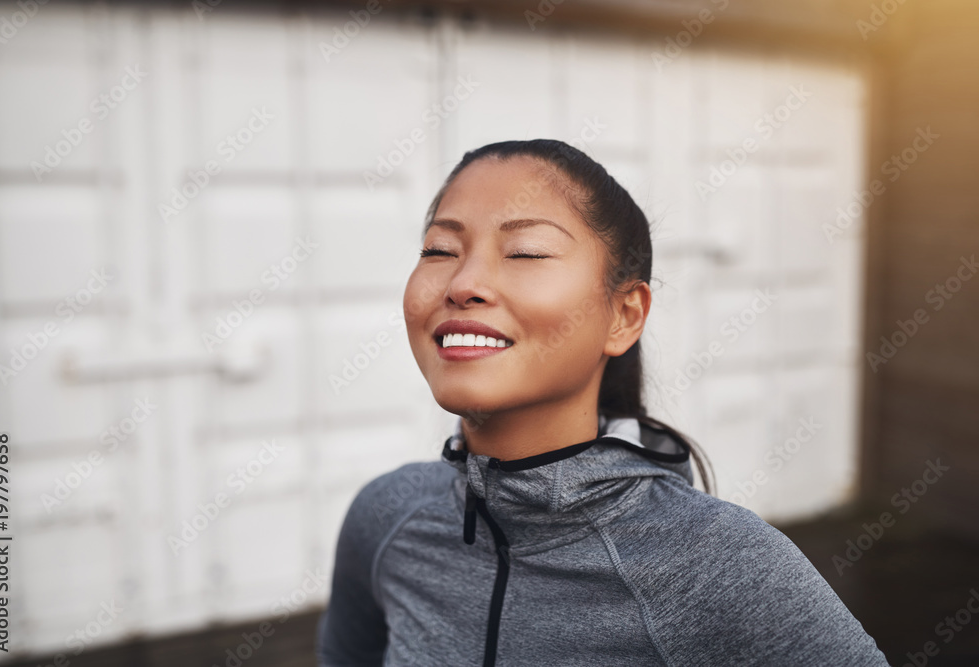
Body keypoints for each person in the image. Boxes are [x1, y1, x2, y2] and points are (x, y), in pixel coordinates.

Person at [316, 139, 890, 666]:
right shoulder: (387, 517)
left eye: (526, 252)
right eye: (440, 249)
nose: (463, 282)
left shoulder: (721, 566)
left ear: (624, 315)